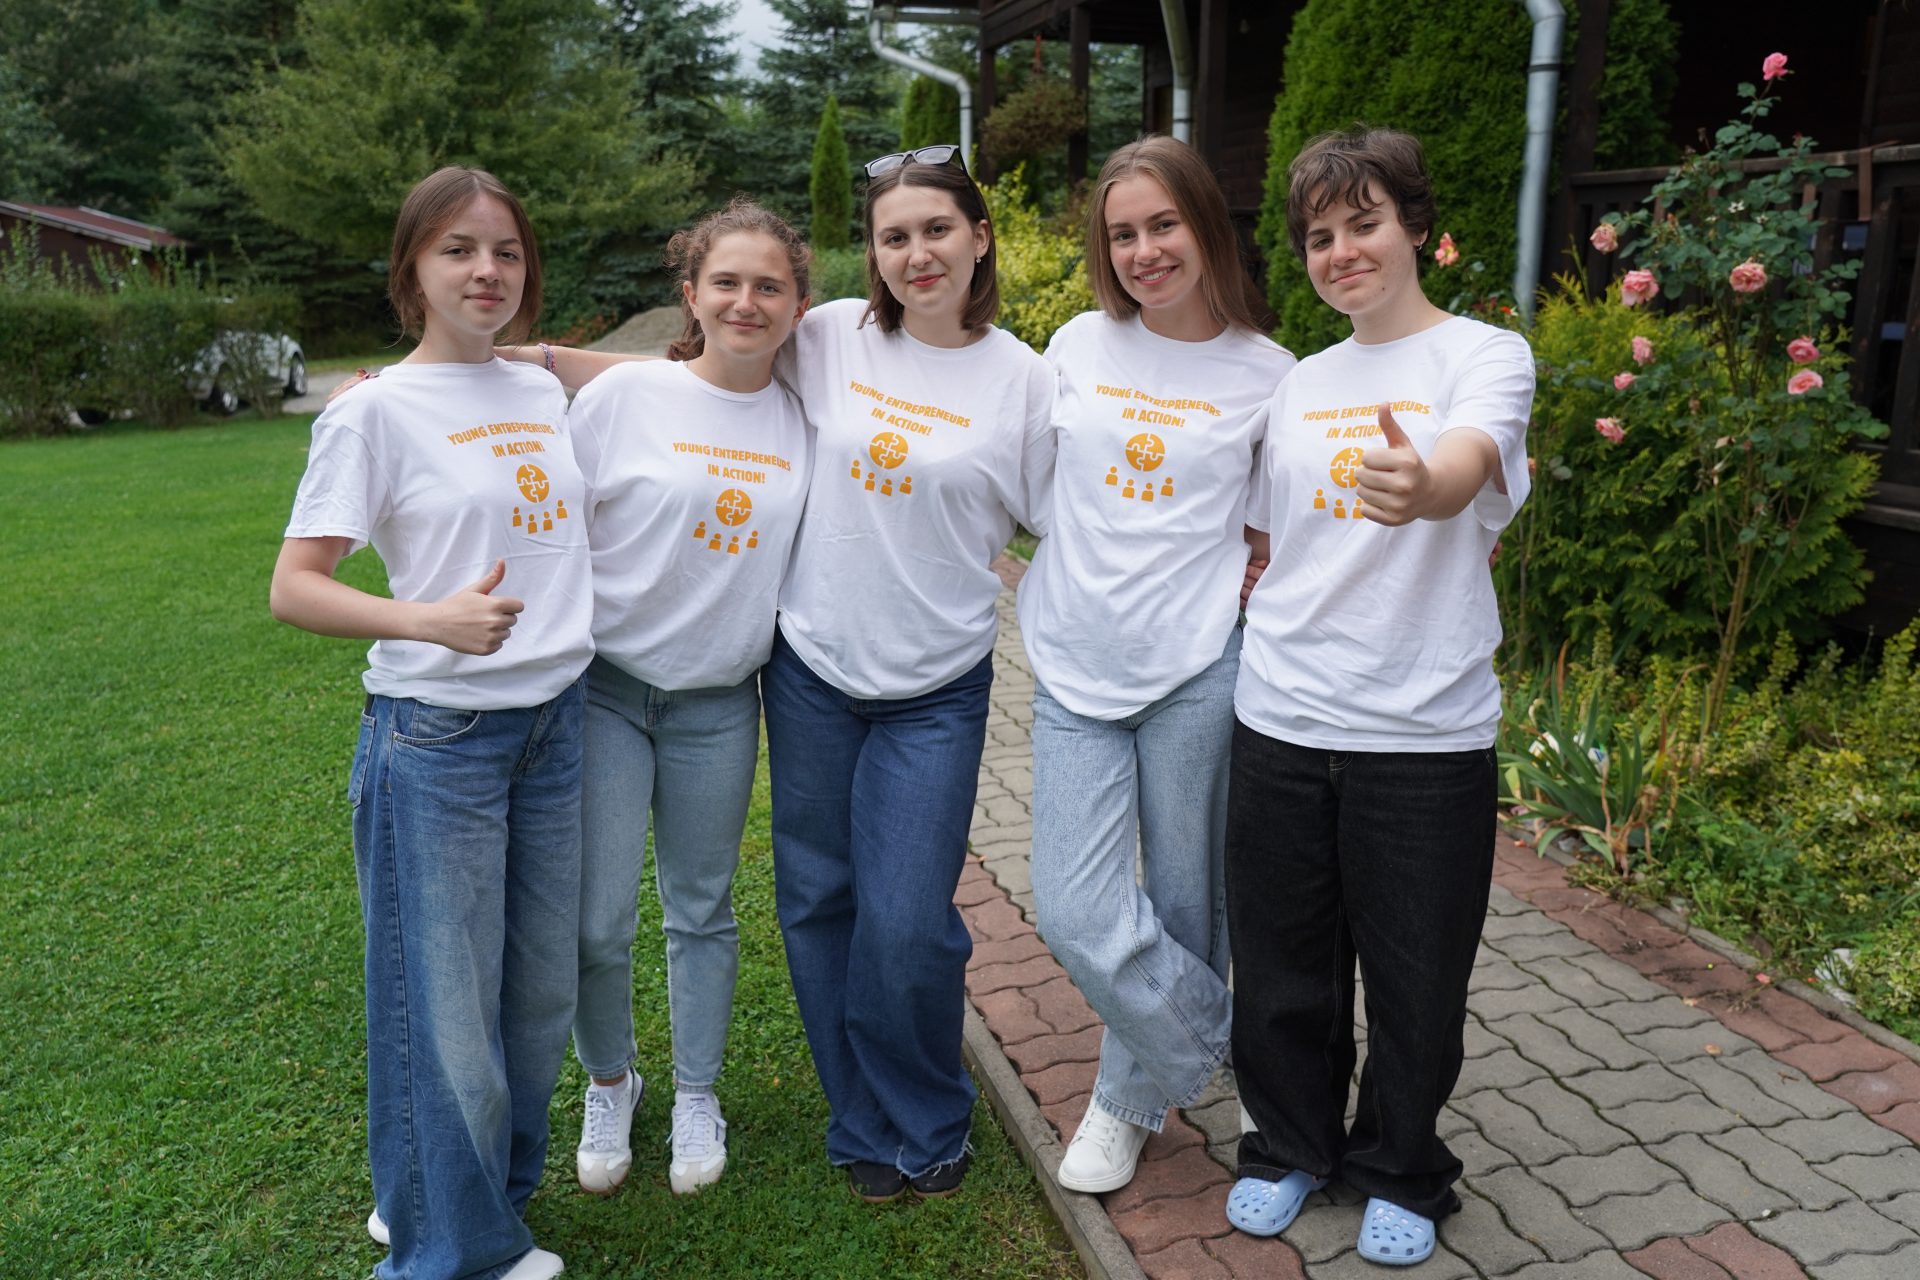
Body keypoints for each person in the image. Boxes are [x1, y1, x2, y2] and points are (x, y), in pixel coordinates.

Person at [270, 167, 591, 1280]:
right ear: (412, 268)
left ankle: (458, 1196)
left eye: (506, 250)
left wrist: (540, 349)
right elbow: (294, 586)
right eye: (457, 249)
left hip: (554, 725)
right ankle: (451, 1253)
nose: (486, 269)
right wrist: (428, 618)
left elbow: (683, 377)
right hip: (438, 738)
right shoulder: (371, 411)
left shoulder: (541, 390)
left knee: (538, 994)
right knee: (443, 1004)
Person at [1222, 128, 1534, 1266]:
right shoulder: (1299, 383)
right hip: (1281, 714)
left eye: (1364, 224)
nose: (1342, 251)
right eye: (1320, 236)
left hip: (1425, 732)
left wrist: (1424, 483)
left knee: (1416, 974)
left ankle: (1402, 1163)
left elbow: (1466, 464)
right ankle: (1289, 1144)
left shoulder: (1483, 355)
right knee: (1283, 964)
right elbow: (1267, 538)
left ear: (1414, 226)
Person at [762, 144, 1055, 1202]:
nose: (917, 252)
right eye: (895, 236)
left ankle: (931, 1112)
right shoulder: (832, 335)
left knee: (907, 921)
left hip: (936, 686)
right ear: (873, 253)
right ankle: (861, 1118)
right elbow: (696, 383)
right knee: (819, 900)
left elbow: (1072, 520)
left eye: (937, 229)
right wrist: (528, 361)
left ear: (980, 237)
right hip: (812, 667)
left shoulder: (1026, 378)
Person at [1019, 136, 1294, 1193]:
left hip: (1196, 668)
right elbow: (1030, 484)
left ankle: (1126, 1102)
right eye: (1123, 233)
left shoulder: (1270, 374)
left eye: (1163, 224)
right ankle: (1245, 1045)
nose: (1144, 251)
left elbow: (1273, 529)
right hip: (1074, 662)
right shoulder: (1077, 345)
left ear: (1205, 223)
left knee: (1185, 901)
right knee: (1075, 908)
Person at [563, 199, 812, 1198]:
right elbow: (551, 524)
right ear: (691, 294)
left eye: (769, 285)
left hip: (718, 703)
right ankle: (610, 1080)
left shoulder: (807, 417)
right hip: (608, 693)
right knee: (595, 919)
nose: (747, 301)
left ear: (798, 306)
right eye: (727, 282)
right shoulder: (626, 398)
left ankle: (698, 1094)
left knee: (702, 909)